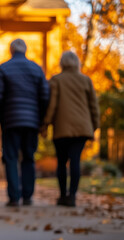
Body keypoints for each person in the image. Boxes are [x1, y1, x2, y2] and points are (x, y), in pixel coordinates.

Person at [0, 39, 50, 207]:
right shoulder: (36, 69)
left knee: (10, 158)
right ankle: (28, 195)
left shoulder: (3, 68)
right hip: (31, 122)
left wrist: (1, 117)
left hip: (10, 121)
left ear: (11, 51)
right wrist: (40, 118)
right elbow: (45, 96)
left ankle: (14, 196)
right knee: (28, 158)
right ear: (25, 50)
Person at [42, 51, 99, 207]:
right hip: (82, 128)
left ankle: (62, 195)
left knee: (61, 162)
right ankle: (72, 195)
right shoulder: (86, 80)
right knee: (75, 160)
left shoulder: (56, 80)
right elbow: (94, 106)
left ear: (62, 63)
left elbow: (51, 105)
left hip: (62, 128)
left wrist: (45, 124)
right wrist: (95, 126)